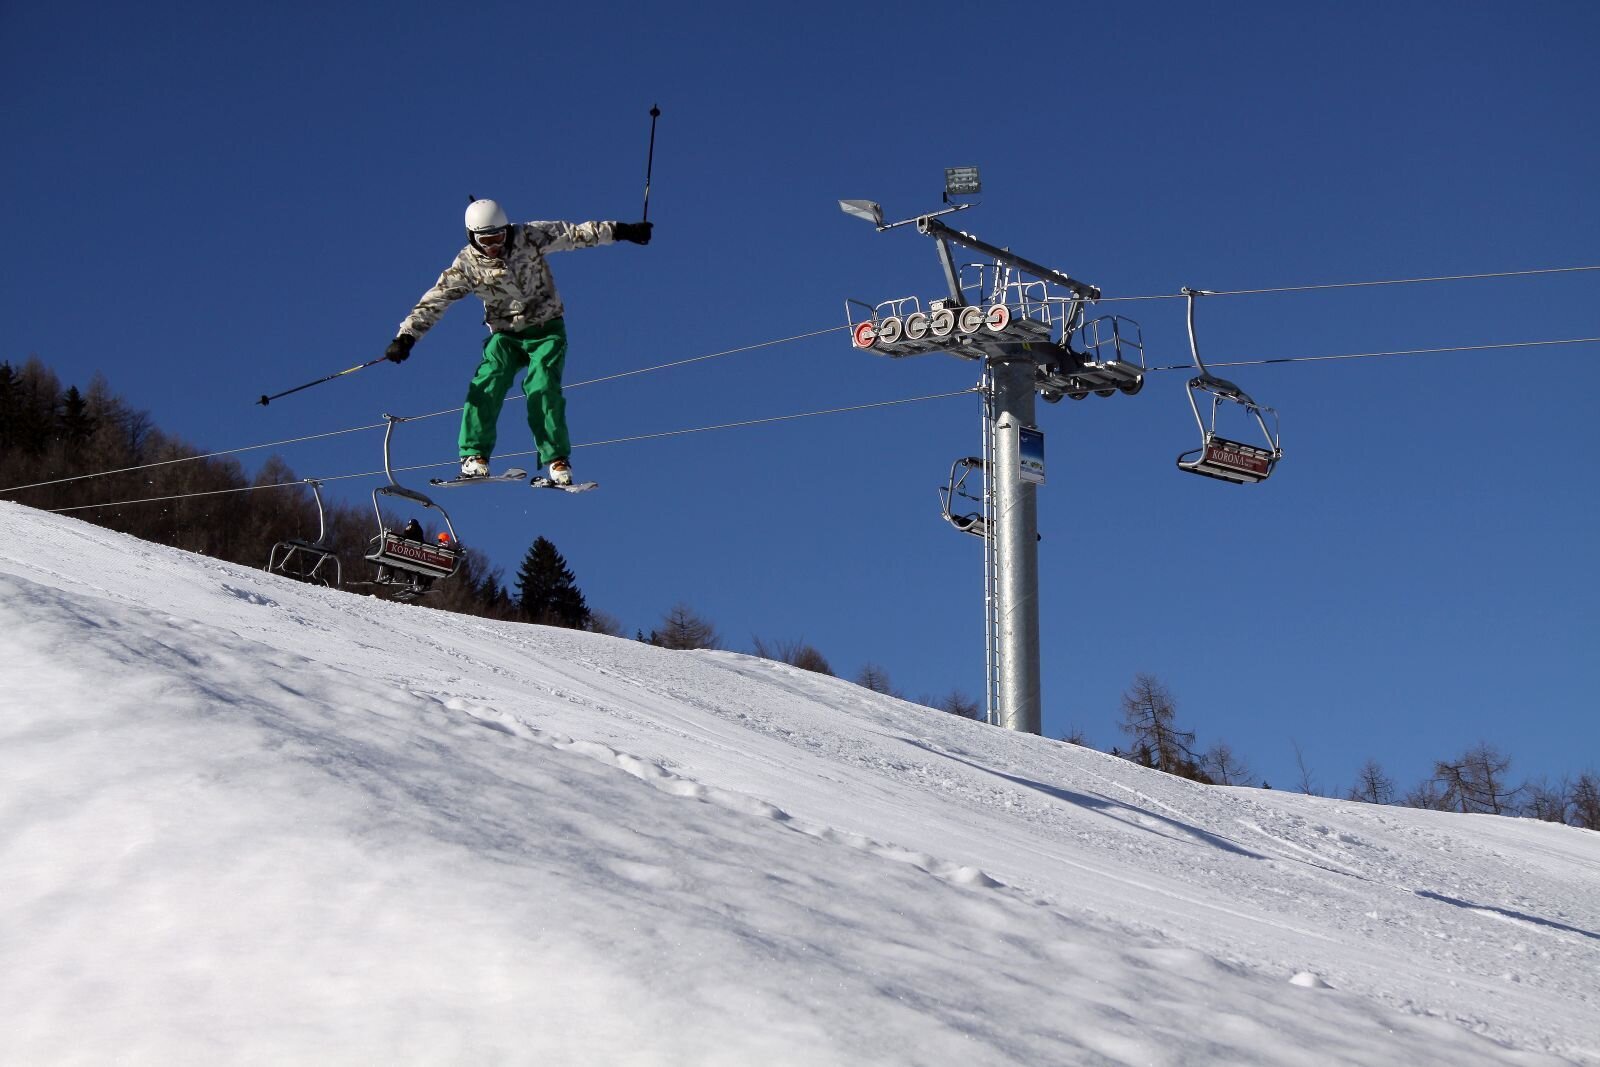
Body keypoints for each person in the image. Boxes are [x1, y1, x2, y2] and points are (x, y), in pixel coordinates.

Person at [384, 199, 651, 483]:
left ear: (506, 229)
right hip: (506, 335)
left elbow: (576, 234)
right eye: (485, 240)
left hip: (546, 329)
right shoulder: (466, 265)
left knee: (542, 386)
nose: (494, 246)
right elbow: (435, 300)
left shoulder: (528, 236)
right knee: (488, 381)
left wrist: (623, 231)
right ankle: (474, 455)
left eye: (498, 237)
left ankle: (557, 459)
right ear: (471, 237)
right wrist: (406, 336)